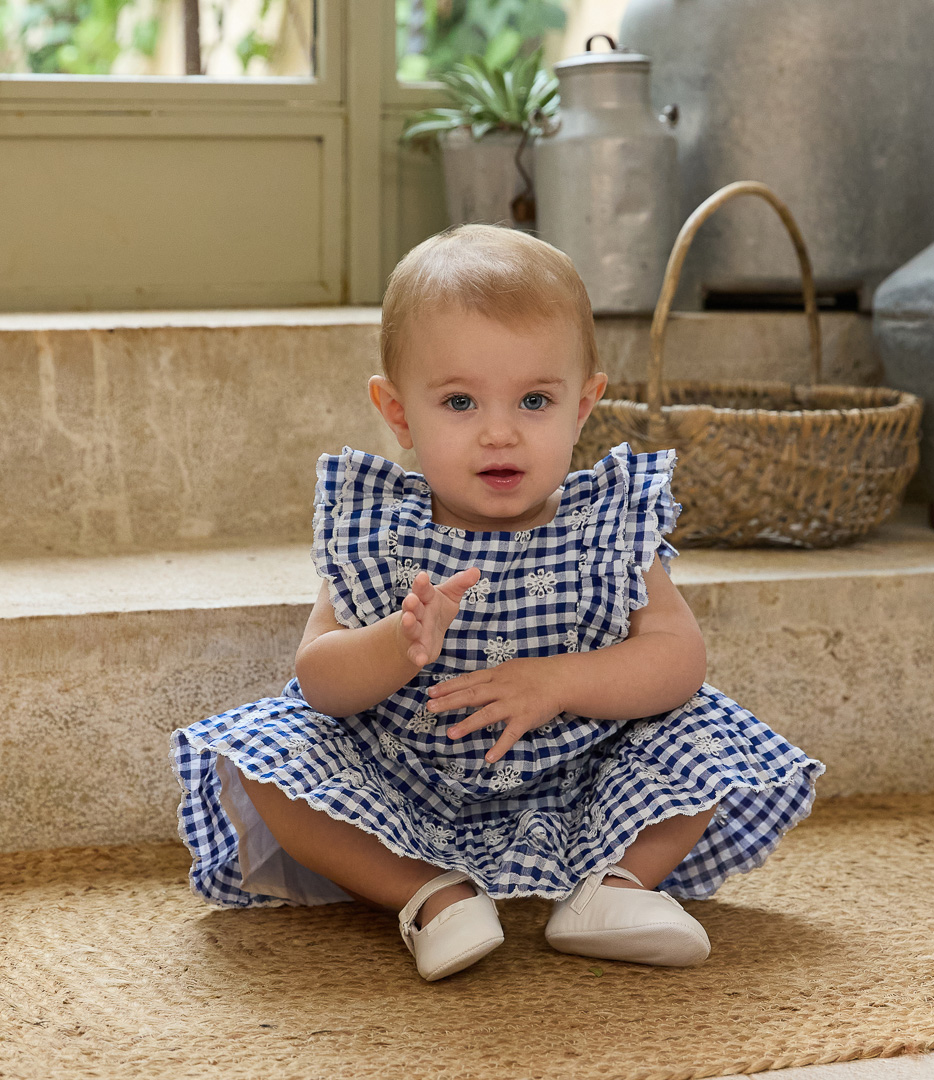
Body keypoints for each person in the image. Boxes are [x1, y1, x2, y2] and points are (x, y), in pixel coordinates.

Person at [171, 223, 824, 983]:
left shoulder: (605, 527)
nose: (500, 432)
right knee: (267, 753)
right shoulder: (378, 530)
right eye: (459, 401)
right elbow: (318, 678)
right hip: (406, 780)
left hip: (582, 778)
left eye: (535, 399)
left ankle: (610, 890)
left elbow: (678, 657)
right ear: (399, 412)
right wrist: (396, 641)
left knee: (707, 729)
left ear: (583, 406)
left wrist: (559, 681)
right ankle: (429, 896)